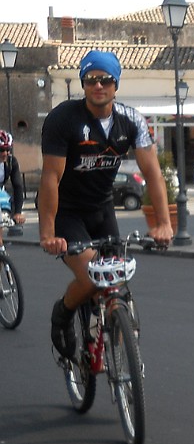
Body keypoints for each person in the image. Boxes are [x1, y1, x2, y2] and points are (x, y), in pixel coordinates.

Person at [38, 50, 173, 357]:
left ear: (116, 84)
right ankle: (63, 315)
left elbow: (152, 173)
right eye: (91, 80)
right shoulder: (64, 119)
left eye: (106, 80)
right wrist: (47, 233)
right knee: (89, 277)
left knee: (114, 279)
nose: (98, 86)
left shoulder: (131, 121)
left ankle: (113, 337)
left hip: (101, 209)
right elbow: (50, 178)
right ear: (83, 83)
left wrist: (163, 223)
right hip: (66, 211)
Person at [0, 131, 26, 241]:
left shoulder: (11, 162)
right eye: (1, 150)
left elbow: (18, 186)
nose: (5, 153)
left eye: (8, 150)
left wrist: (18, 212)